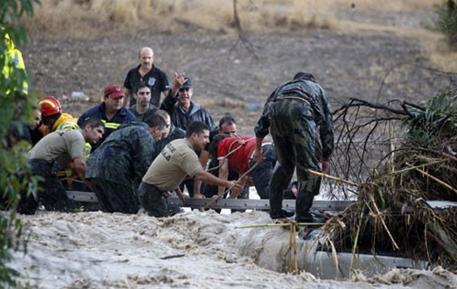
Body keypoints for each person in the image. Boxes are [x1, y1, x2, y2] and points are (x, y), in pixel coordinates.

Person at [254, 72, 334, 222]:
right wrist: (326, 156)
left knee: (284, 165)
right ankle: (303, 215)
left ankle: (276, 211)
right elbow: (327, 126)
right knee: (309, 170)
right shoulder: (317, 89)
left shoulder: (282, 87)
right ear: (312, 80)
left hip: (277, 114)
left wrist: (258, 149)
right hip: (300, 112)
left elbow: (263, 120)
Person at [138, 121, 242, 217]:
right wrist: (227, 183)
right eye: (205, 137)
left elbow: (171, 171)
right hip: (151, 193)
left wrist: (179, 193)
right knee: (169, 222)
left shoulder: (177, 142)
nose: (208, 141)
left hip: (150, 189)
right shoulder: (186, 152)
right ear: (194, 136)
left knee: (178, 216)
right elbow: (200, 175)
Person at [86, 110, 170, 214]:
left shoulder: (128, 129)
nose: (160, 139)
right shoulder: (145, 134)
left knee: (109, 213)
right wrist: (156, 187)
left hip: (94, 170)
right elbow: (144, 165)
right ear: (156, 129)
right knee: (129, 212)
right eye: (161, 135)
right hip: (113, 172)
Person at [19, 118, 105, 214]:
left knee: (25, 211)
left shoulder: (69, 134)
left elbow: (71, 166)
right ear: (88, 127)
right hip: (40, 168)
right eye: (99, 131)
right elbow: (79, 166)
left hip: (25, 168)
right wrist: (93, 186)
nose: (100, 136)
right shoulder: (78, 137)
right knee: (63, 209)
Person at [208, 134, 277, 200]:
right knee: (279, 185)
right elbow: (241, 182)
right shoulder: (238, 150)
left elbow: (223, 171)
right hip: (273, 148)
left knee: (266, 193)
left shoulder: (223, 143)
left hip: (259, 153)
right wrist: (231, 199)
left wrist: (220, 195)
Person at [78, 84, 135, 151]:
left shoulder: (129, 119)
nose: (118, 101)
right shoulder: (91, 115)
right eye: (115, 98)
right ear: (105, 98)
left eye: (121, 98)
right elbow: (79, 134)